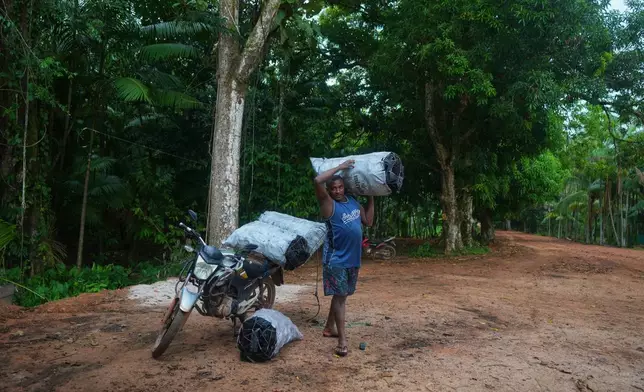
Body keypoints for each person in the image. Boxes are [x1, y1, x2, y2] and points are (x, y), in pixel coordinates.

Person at [313, 159, 374, 357]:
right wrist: (340, 167)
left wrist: (372, 198)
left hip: (353, 259)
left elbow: (368, 221)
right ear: (329, 191)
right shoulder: (328, 204)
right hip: (336, 259)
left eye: (340, 187)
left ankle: (329, 327)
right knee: (340, 298)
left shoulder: (353, 202)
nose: (338, 191)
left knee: (342, 295)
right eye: (334, 188)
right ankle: (342, 340)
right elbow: (317, 180)